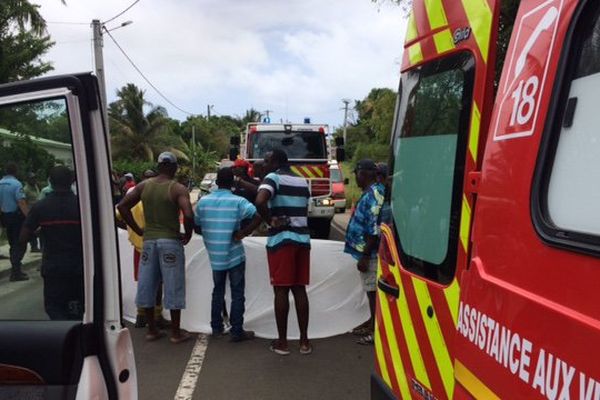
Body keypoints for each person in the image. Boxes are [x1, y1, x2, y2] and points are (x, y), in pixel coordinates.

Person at [118, 152, 195, 344]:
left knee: (148, 284)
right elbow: (188, 213)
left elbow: (122, 206)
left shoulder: (144, 186)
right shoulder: (177, 188)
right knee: (173, 284)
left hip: (149, 242)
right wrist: (188, 233)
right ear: (175, 167)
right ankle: (175, 333)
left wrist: (138, 229)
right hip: (170, 240)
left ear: (159, 166)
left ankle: (152, 330)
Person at [255, 149, 312, 355]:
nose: (264, 163)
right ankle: (304, 342)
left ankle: (282, 342)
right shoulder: (302, 181)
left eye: (267, 160)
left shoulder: (272, 178)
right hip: (303, 240)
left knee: (281, 290)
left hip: (282, 241)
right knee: (299, 289)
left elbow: (260, 201)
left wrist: (270, 220)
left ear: (276, 162)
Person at [195, 167, 262, 341]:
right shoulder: (238, 202)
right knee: (237, 292)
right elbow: (259, 214)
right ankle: (237, 330)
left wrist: (210, 234)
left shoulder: (203, 202)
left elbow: (196, 225)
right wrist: (244, 232)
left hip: (215, 256)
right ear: (233, 183)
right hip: (234, 254)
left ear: (216, 183)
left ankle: (216, 327)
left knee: (218, 290)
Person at [19, 166, 83, 319]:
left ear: (50, 182)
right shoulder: (82, 205)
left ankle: (62, 338)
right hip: (79, 267)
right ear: (72, 181)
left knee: (55, 308)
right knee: (79, 307)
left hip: (53, 267)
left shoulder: (41, 207)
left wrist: (40, 231)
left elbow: (23, 237)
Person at [115, 169, 169, 328]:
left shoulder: (132, 200)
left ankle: (141, 314)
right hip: (153, 245)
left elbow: (117, 215)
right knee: (157, 282)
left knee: (143, 282)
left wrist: (131, 229)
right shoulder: (152, 201)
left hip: (138, 247)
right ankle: (157, 317)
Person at [344, 159, 385, 345]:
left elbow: (374, 228)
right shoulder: (368, 193)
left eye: (357, 173)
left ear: (366, 173)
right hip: (365, 251)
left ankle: (377, 331)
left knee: (373, 292)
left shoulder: (374, 194)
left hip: (371, 253)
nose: (356, 177)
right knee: (369, 290)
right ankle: (371, 322)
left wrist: (366, 256)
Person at [0, 163, 29, 281]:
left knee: (12, 243)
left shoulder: (0, 183)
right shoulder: (17, 184)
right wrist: (29, 217)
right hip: (17, 218)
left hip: (5, 216)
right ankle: (16, 272)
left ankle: (15, 269)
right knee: (20, 243)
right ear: (16, 171)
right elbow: (21, 202)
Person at [23, 172, 41, 253]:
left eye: (34, 178)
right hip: (31, 212)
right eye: (32, 178)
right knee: (33, 230)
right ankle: (33, 246)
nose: (34, 180)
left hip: (38, 211)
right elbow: (24, 201)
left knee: (39, 229)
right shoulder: (25, 189)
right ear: (28, 180)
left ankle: (38, 246)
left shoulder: (36, 187)